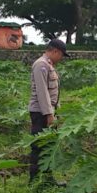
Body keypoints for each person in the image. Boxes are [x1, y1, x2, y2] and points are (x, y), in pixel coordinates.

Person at [28, 38, 69, 183]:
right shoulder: (41, 65)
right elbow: (42, 92)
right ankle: (34, 182)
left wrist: (56, 111)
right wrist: (49, 114)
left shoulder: (48, 65)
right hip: (41, 113)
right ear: (55, 51)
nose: (61, 58)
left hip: (48, 111)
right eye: (62, 55)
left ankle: (47, 179)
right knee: (39, 146)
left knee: (49, 146)